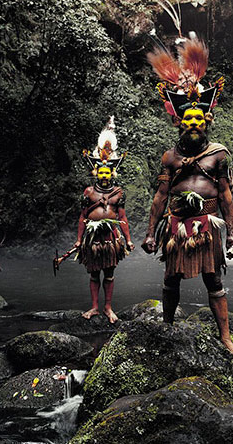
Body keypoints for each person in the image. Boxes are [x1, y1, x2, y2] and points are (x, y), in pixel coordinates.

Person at [140, 37, 233, 358]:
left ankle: (226, 338)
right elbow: (160, 197)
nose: (194, 124)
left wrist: (231, 232)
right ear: (179, 122)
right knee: (171, 279)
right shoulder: (170, 158)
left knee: (213, 280)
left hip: (208, 224)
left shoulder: (218, 155)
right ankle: (168, 327)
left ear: (207, 121)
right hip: (176, 225)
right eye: (189, 120)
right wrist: (149, 233)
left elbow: (226, 195)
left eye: (199, 119)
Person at [66, 116, 133, 322]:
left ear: (112, 172)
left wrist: (128, 239)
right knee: (94, 274)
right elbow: (83, 217)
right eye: (101, 172)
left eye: (107, 172)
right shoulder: (88, 192)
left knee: (110, 274)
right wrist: (79, 239)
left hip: (111, 239)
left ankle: (108, 308)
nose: (104, 175)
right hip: (92, 240)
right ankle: (94, 307)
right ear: (96, 172)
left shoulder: (118, 192)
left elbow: (122, 217)